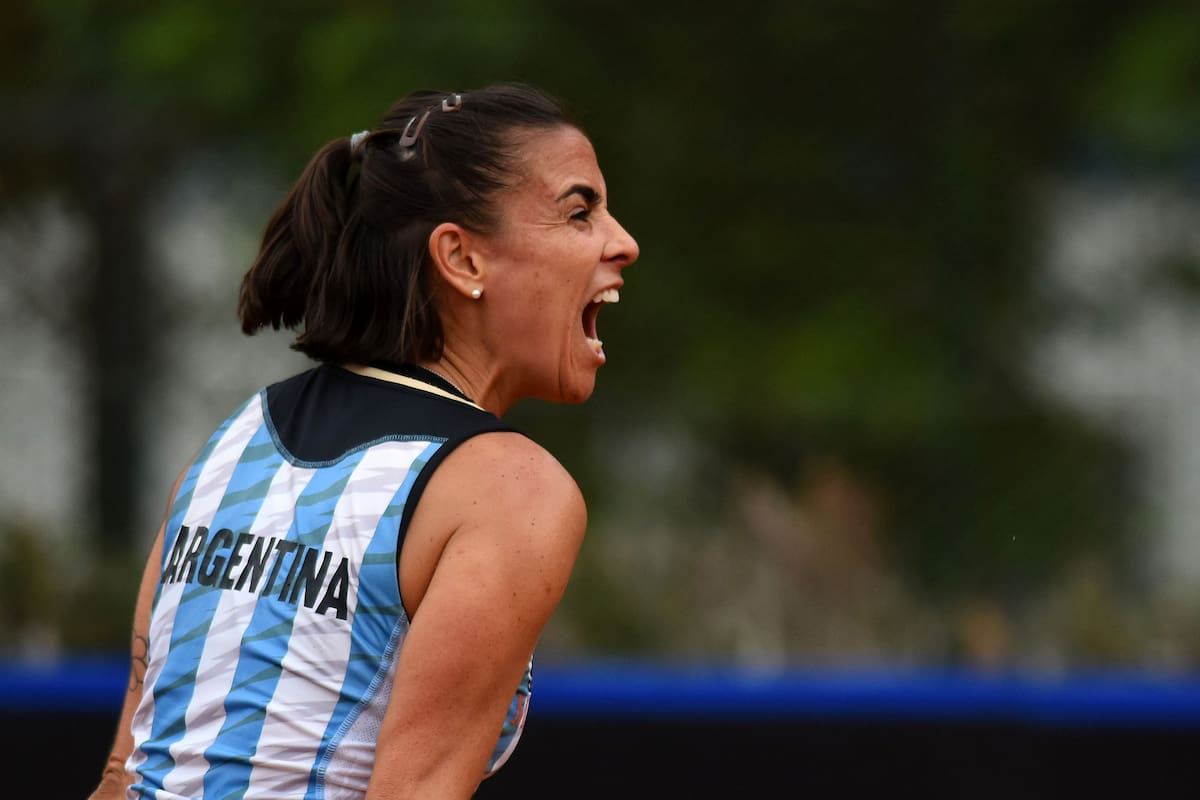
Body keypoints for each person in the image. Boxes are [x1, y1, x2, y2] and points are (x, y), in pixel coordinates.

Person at [89, 82, 639, 799]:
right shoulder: (512, 489)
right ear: (463, 259)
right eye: (579, 211)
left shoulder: (231, 441)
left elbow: (119, 778)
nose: (622, 242)